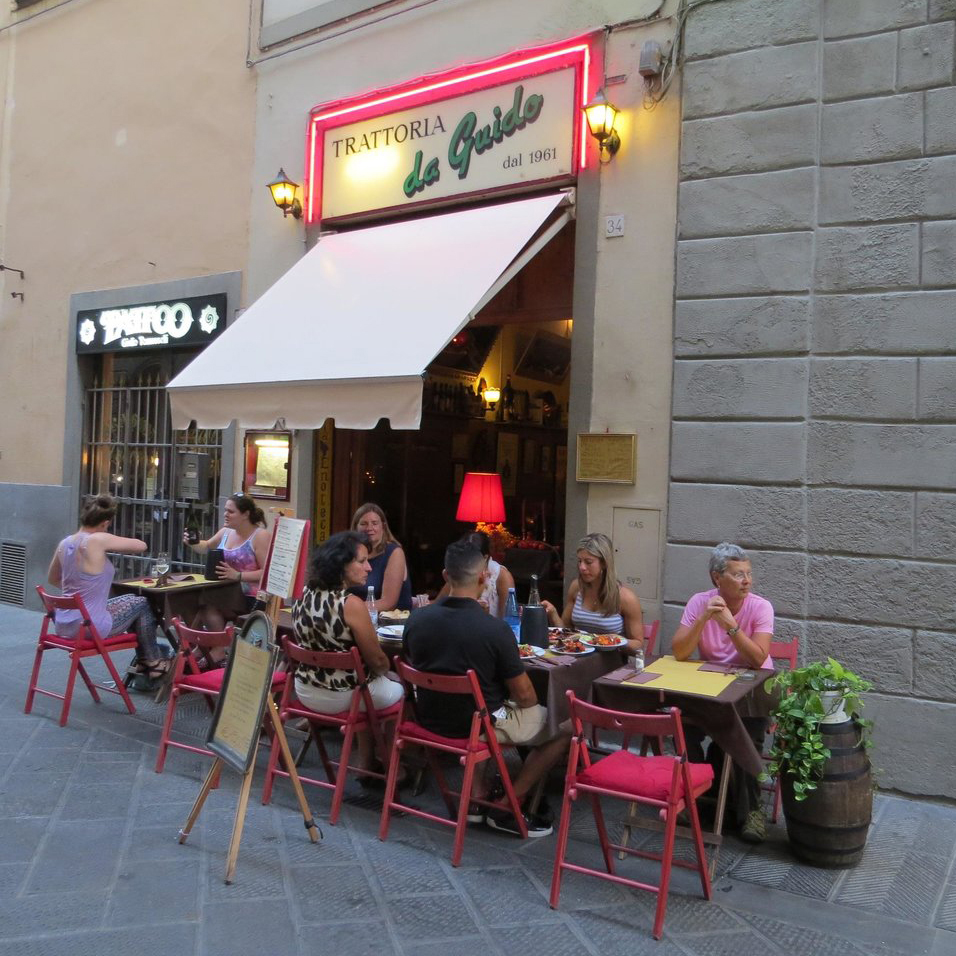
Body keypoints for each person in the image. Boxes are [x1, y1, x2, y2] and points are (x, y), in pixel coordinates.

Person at [403, 539, 569, 838]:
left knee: (489, 705)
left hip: (429, 720)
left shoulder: (417, 620)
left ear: (445, 576)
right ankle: (509, 802)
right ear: (483, 577)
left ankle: (477, 797)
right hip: (478, 725)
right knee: (566, 724)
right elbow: (526, 697)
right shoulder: (494, 630)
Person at [671, 542, 774, 843]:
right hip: (710, 689)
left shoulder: (760, 607)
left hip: (751, 691)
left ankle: (751, 811)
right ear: (717, 578)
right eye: (738, 574)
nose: (747, 581)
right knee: (679, 725)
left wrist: (731, 626)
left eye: (749, 574)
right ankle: (692, 794)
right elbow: (679, 652)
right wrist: (704, 618)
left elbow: (757, 658)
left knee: (747, 732)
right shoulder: (699, 602)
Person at [292, 531, 403, 772]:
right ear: (341, 564)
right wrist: (389, 673)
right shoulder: (350, 604)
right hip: (342, 696)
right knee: (400, 690)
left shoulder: (302, 595)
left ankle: (366, 759)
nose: (369, 568)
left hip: (305, 691)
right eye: (362, 561)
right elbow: (377, 660)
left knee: (367, 686)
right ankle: (395, 767)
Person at [47, 494, 168, 686]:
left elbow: (53, 579)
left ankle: (146, 661)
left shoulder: (65, 543)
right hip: (89, 626)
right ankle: (153, 661)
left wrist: (82, 586)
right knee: (142, 602)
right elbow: (141, 545)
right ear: (105, 523)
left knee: (130, 600)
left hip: (64, 622)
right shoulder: (97, 540)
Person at [542, 532, 644, 652]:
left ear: (604, 563)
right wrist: (553, 613)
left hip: (611, 662)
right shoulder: (576, 587)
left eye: (588, 562)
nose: (582, 567)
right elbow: (566, 632)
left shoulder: (626, 598)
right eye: (580, 561)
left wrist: (614, 641)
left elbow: (638, 644)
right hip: (578, 656)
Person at [183, 493, 269, 631]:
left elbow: (268, 572)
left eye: (231, 511)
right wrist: (193, 542)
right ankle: (206, 643)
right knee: (190, 600)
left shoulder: (260, 536)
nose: (225, 514)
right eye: (225, 510)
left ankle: (215, 647)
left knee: (206, 602)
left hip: (250, 597)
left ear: (245, 514)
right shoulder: (226, 532)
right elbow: (206, 546)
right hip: (227, 592)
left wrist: (238, 575)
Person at [432, 530, 516, 617]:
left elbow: (509, 620)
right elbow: (436, 607)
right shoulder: (460, 572)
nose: (467, 560)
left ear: (485, 557)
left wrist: (484, 616)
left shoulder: (502, 577)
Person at [350, 503, 412, 612]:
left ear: (383, 526)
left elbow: (388, 603)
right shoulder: (349, 553)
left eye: (374, 523)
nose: (369, 528)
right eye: (364, 523)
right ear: (356, 527)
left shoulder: (394, 552)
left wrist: (346, 609)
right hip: (354, 620)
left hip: (389, 624)